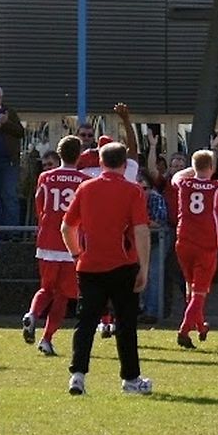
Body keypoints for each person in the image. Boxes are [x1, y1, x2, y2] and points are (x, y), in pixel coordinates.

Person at [59, 142, 152, 395]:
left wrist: (76, 253)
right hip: (123, 265)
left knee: (86, 322)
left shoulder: (85, 188)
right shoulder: (133, 190)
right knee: (126, 323)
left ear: (100, 162)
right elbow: (141, 231)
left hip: (90, 265)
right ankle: (131, 379)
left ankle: (77, 376)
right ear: (124, 163)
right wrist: (144, 267)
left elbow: (67, 227)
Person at [170, 150, 218, 348]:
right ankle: (184, 330)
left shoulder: (184, 184)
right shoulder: (216, 187)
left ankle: (201, 326)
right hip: (206, 244)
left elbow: (176, 176)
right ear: (212, 168)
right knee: (200, 292)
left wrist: (192, 170)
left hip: (184, 241)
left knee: (191, 287)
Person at [22, 134, 86, 356]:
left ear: (59, 154)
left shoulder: (45, 177)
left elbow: (40, 207)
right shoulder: (83, 180)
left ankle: (32, 314)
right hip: (70, 242)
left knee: (46, 288)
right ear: (79, 155)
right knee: (63, 295)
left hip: (47, 239)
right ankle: (47, 338)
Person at [0, 84, 24, 227]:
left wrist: (6, 123)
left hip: (9, 162)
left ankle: (12, 231)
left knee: (10, 195)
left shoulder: (9, 113)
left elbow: (20, 132)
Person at [137, 171, 168, 324]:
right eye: (138, 188)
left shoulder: (156, 198)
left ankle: (151, 312)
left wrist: (140, 221)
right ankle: (137, 309)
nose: (142, 192)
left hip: (157, 241)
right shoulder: (129, 197)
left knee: (154, 274)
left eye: (145, 188)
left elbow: (159, 221)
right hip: (137, 242)